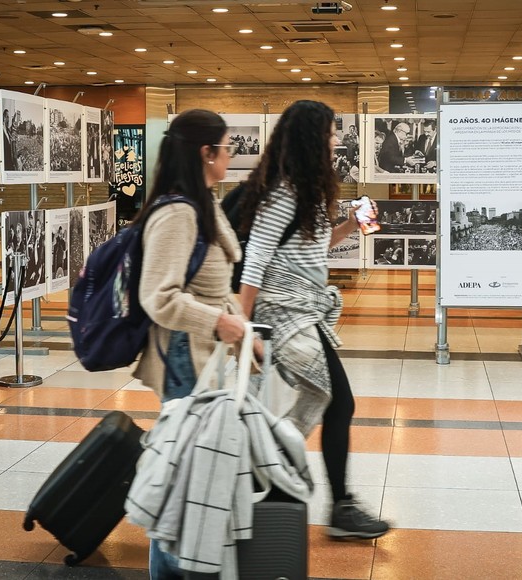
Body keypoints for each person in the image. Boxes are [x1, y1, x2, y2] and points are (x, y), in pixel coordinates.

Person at [237, 100, 390, 540]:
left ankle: (274, 476)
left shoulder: (306, 192)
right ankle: (307, 489)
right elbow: (256, 260)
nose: (336, 141)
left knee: (330, 399)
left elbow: (311, 249)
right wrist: (243, 329)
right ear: (310, 139)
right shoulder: (282, 194)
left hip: (305, 311)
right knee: (334, 398)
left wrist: (350, 225)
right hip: (283, 314)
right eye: (330, 133)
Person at [131, 109, 249, 580]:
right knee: (182, 482)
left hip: (203, 355)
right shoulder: (178, 213)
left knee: (193, 476)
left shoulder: (202, 203)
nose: (230, 156)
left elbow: (214, 288)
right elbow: (158, 297)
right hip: (184, 357)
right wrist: (220, 323)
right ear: (206, 152)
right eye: (227, 148)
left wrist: (243, 333)